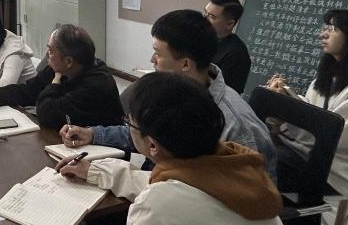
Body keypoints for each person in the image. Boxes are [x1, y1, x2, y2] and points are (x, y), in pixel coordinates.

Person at [57, 72, 304, 225]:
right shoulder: (235, 167)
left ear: (152, 145)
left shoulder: (158, 206)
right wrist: (95, 170)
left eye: (129, 123)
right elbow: (171, 188)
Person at [62, 10, 276, 178]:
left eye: (157, 53)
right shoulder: (169, 92)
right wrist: (93, 134)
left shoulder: (236, 125)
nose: (152, 60)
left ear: (185, 64)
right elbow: (146, 134)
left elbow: (252, 195)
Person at [267, 9, 348, 195]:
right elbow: (311, 110)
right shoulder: (326, 78)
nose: (323, 34)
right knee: (250, 146)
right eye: (325, 28)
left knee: (259, 162)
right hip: (300, 151)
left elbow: (339, 135)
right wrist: (283, 98)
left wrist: (288, 115)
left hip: (333, 172)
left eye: (333, 29)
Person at [0, 24, 123, 131]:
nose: (47, 55)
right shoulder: (65, 67)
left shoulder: (97, 84)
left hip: (104, 153)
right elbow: (29, 90)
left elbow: (47, 113)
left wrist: (55, 83)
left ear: (68, 61)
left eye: (51, 51)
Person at [204, 0, 252, 93]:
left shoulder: (237, 54)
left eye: (212, 16)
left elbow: (226, 94)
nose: (204, 18)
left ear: (230, 24)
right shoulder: (200, 38)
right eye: (205, 13)